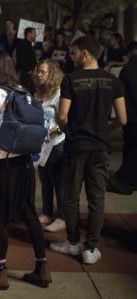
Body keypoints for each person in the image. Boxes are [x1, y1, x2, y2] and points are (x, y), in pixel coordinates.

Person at [0, 51, 51, 290]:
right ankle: (42, 268)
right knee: (28, 213)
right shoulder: (22, 91)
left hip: (1, 163)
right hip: (24, 163)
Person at [50, 36, 127, 264]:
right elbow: (123, 119)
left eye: (74, 53)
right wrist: (104, 127)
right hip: (101, 147)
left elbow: (62, 115)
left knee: (71, 197)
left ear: (85, 54)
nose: (71, 57)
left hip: (76, 146)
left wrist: (68, 128)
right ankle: (90, 249)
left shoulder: (71, 80)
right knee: (97, 199)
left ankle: (72, 243)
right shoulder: (112, 80)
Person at [32, 60, 66, 233]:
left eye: (43, 72)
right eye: (38, 71)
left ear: (52, 74)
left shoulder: (59, 93)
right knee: (45, 180)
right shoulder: (38, 93)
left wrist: (49, 133)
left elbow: (63, 120)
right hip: (42, 145)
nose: (39, 74)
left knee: (58, 181)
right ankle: (46, 212)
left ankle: (61, 216)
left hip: (57, 142)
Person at [108, 41, 137, 194]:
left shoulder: (129, 68)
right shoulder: (132, 68)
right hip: (133, 117)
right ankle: (124, 180)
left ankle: (128, 180)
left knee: (130, 148)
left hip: (130, 116)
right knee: (133, 150)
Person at [16, 27, 37, 92]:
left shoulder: (30, 45)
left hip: (31, 73)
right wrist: (28, 70)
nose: (36, 35)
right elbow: (21, 59)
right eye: (34, 33)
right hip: (25, 74)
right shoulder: (22, 44)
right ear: (29, 34)